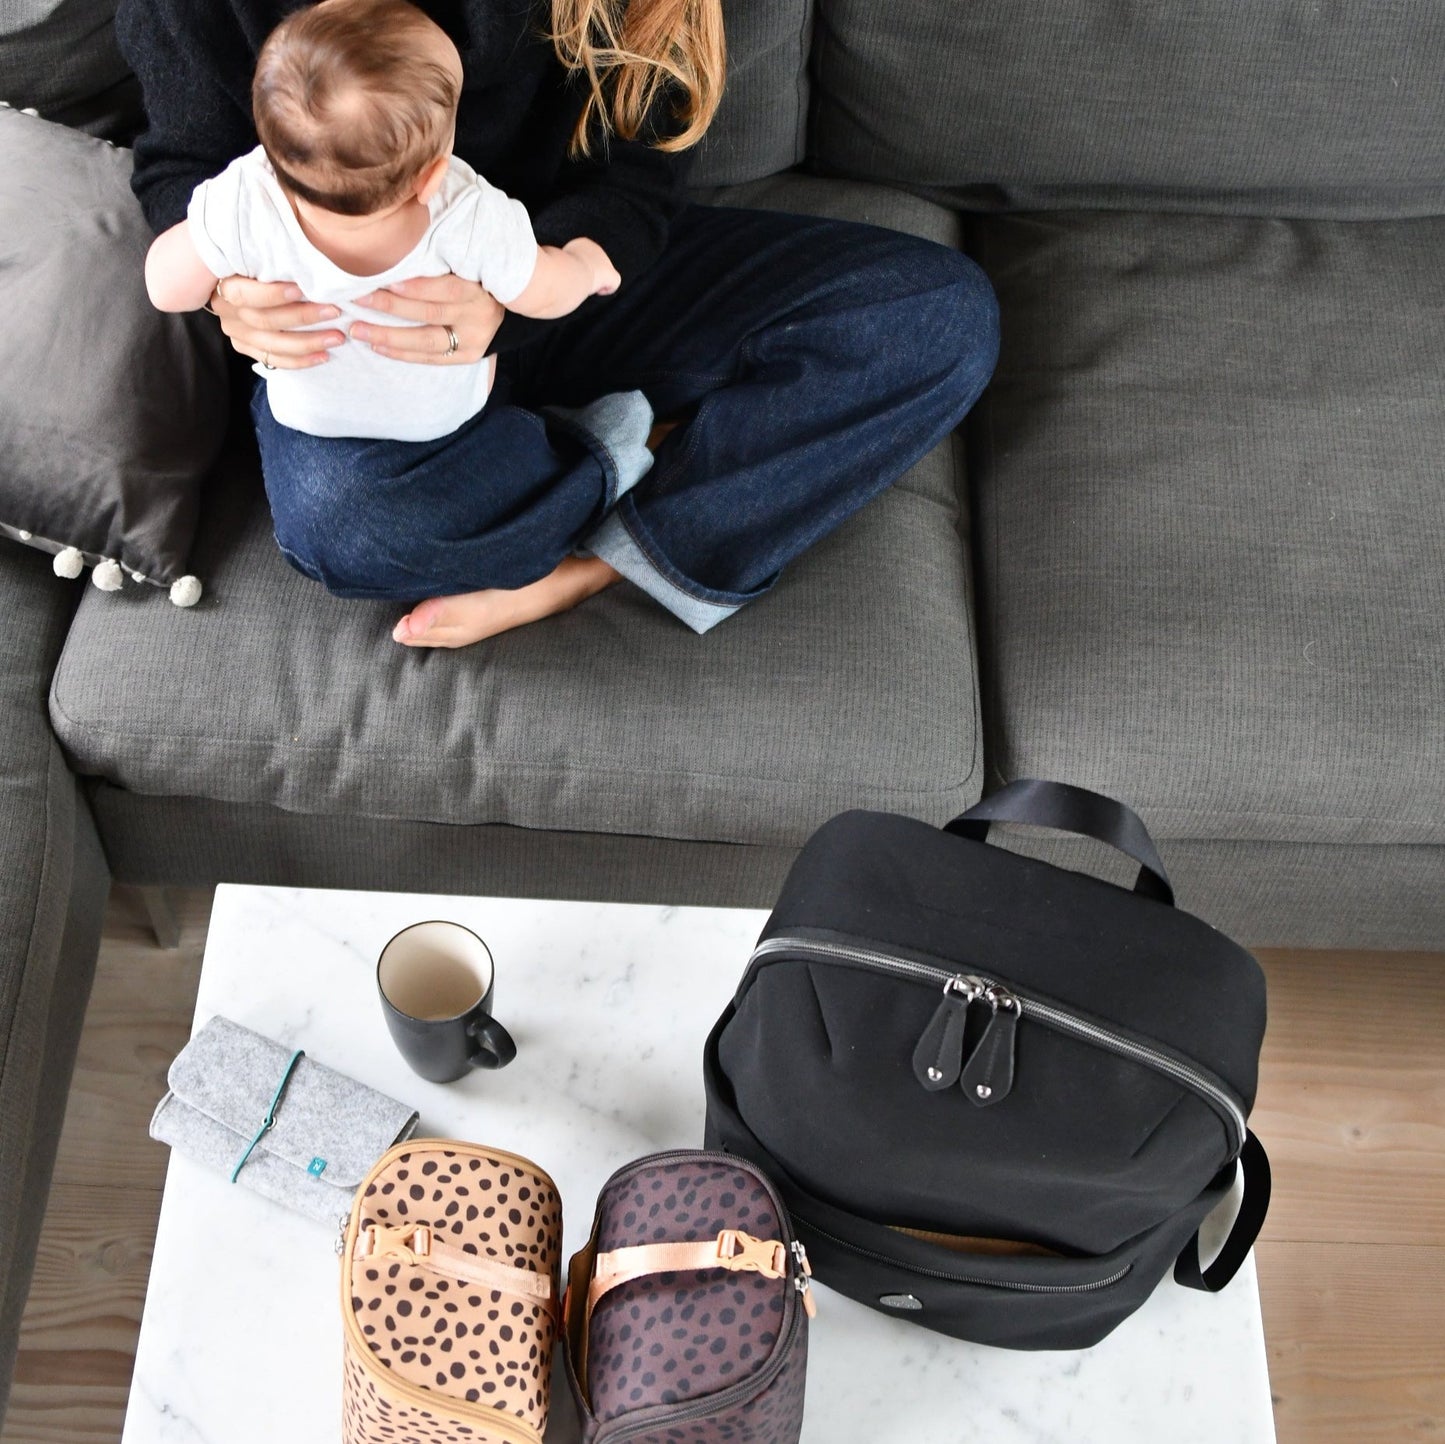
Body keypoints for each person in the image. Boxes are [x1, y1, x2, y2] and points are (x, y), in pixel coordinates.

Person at [117, 0, 1000, 648]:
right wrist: (224, 291)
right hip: (366, 349)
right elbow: (180, 173)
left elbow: (638, 186)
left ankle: (592, 563)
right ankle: (620, 447)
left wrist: (508, 301)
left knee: (932, 316)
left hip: (555, 276)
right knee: (352, 526)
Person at [144, 0, 656, 581]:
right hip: (441, 409)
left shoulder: (242, 194)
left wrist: (215, 281)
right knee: (350, 514)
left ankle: (566, 488)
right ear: (432, 173)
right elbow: (543, 291)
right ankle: (619, 478)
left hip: (313, 406)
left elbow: (164, 285)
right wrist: (588, 266)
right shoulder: (462, 206)